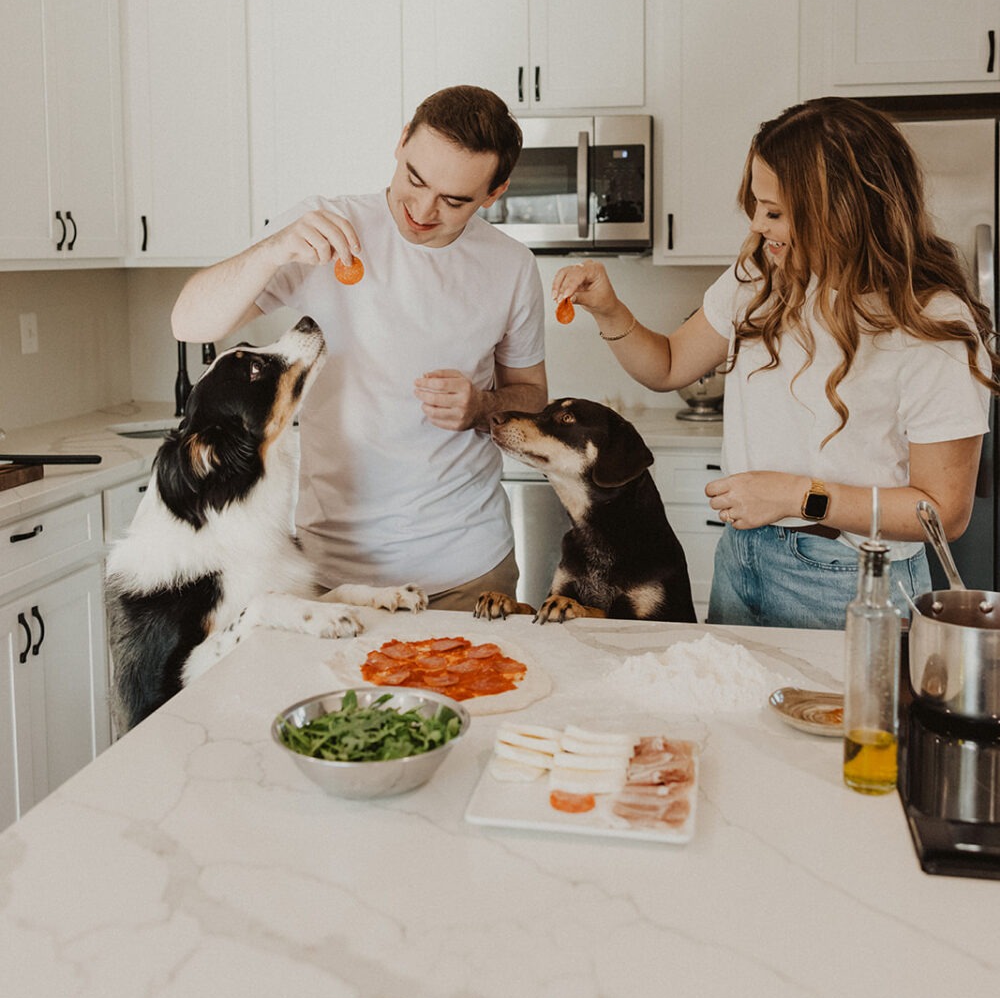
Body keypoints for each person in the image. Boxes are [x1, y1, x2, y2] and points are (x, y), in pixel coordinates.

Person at [551, 97, 998, 629]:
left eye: (776, 211)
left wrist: (796, 496)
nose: (759, 225)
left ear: (844, 210)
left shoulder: (931, 322)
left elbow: (942, 512)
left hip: (854, 579)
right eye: (759, 206)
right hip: (742, 558)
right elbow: (668, 366)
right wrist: (609, 308)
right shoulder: (760, 278)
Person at [172, 85, 547, 611]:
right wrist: (275, 247)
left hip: (468, 569)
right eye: (415, 179)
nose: (422, 208)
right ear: (400, 143)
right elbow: (189, 320)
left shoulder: (511, 267)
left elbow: (532, 397)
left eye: (454, 200)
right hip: (332, 572)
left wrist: (483, 405)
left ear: (494, 192)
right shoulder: (324, 227)